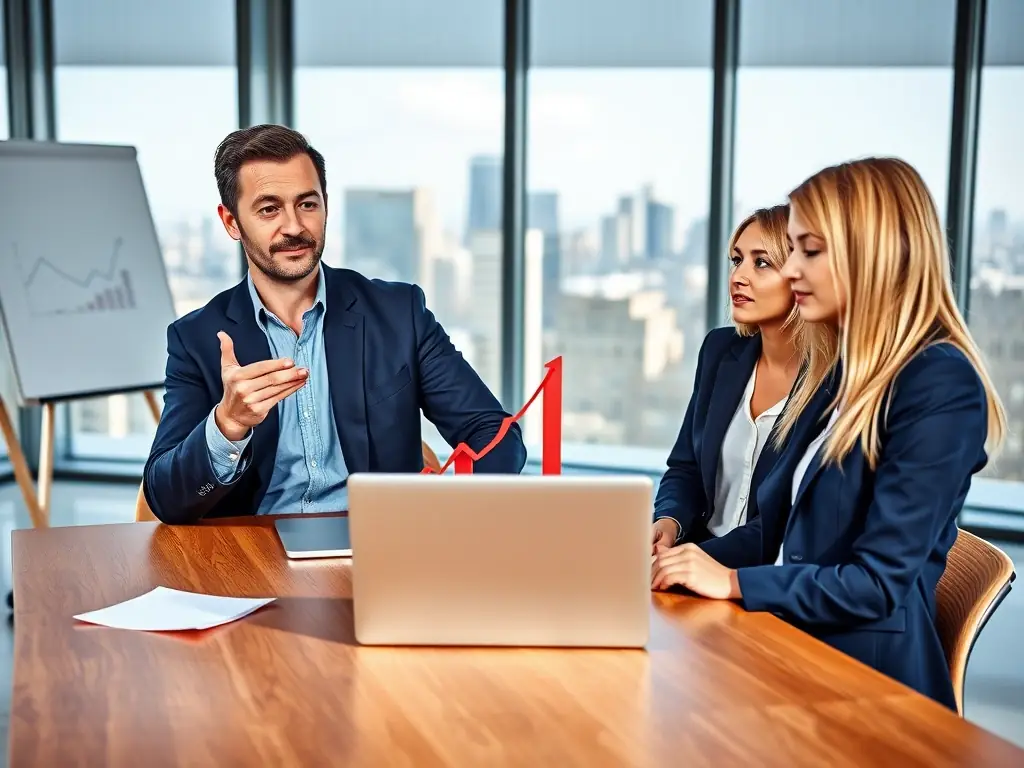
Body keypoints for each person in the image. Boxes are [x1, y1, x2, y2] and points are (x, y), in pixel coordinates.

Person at [651, 157, 1005, 710]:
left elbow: (877, 584)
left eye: (808, 252)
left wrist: (733, 582)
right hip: (789, 643)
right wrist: (688, 554)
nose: (792, 273)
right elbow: (784, 530)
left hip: (863, 686)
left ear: (871, 253)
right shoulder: (851, 373)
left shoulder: (939, 381)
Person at [144, 124, 526, 524]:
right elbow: (167, 499)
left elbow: (495, 433)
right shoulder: (196, 339)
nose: (293, 227)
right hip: (255, 556)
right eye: (269, 209)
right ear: (231, 222)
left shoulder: (399, 313)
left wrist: (455, 512)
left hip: (381, 545)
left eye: (307, 204)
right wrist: (228, 424)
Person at [651, 204, 801, 548]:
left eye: (761, 263)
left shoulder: (833, 380)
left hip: (760, 577)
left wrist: (699, 560)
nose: (738, 276)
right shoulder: (720, 350)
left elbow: (788, 521)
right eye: (737, 260)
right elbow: (685, 467)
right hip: (694, 560)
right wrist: (669, 521)